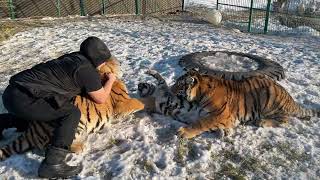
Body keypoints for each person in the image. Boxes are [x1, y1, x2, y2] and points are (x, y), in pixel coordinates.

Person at [1, 36, 116, 178]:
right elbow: (101, 98)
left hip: (11, 94)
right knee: (71, 114)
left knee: (43, 114)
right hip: (24, 100)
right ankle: (53, 164)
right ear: (99, 60)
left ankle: (2, 123)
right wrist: (110, 80)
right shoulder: (87, 71)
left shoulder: (73, 57)